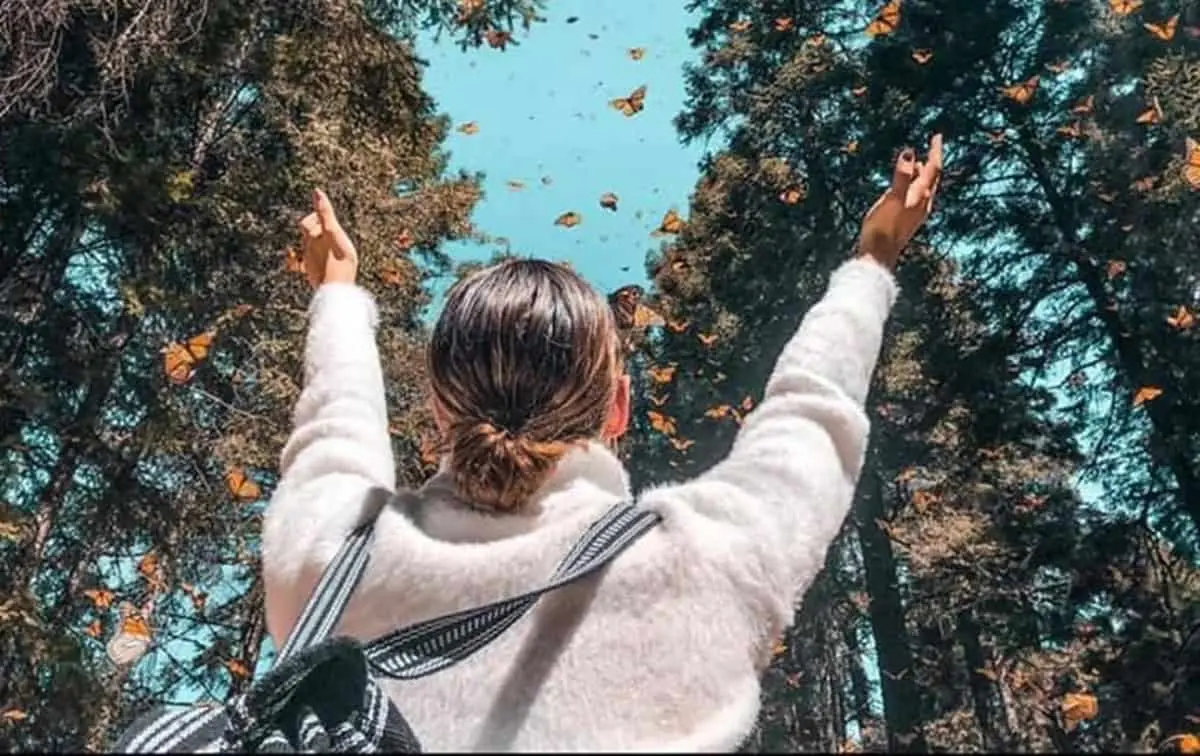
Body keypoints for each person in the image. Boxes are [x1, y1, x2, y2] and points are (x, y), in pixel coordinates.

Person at [262, 135, 944, 752]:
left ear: (438, 407)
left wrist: (337, 292)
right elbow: (808, 417)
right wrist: (871, 260)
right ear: (618, 407)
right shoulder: (704, 559)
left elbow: (334, 429)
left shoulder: (331, 559)